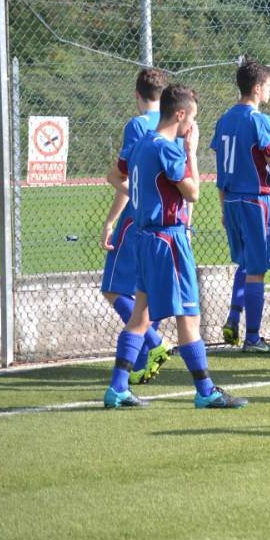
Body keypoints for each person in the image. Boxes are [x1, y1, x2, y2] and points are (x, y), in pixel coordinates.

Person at [103, 83, 246, 409]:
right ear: (180, 114)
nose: (192, 126)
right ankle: (206, 390)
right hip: (168, 239)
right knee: (189, 317)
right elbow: (192, 192)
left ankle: (117, 388)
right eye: (192, 118)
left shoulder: (141, 144)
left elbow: (117, 174)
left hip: (144, 238)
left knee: (140, 315)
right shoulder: (168, 147)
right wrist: (191, 151)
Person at [212, 59, 270, 353]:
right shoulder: (258, 120)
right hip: (256, 199)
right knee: (258, 268)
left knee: (247, 262)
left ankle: (233, 316)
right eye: (269, 85)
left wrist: (223, 206)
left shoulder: (224, 119)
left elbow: (220, 169)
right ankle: (252, 338)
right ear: (256, 88)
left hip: (232, 200)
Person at [99, 68, 172, 385]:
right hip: (166, 219)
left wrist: (111, 220)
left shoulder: (137, 125)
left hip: (135, 218)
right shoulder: (173, 125)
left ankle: (155, 343)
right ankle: (142, 359)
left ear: (137, 94)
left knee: (114, 288)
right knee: (143, 289)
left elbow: (125, 178)